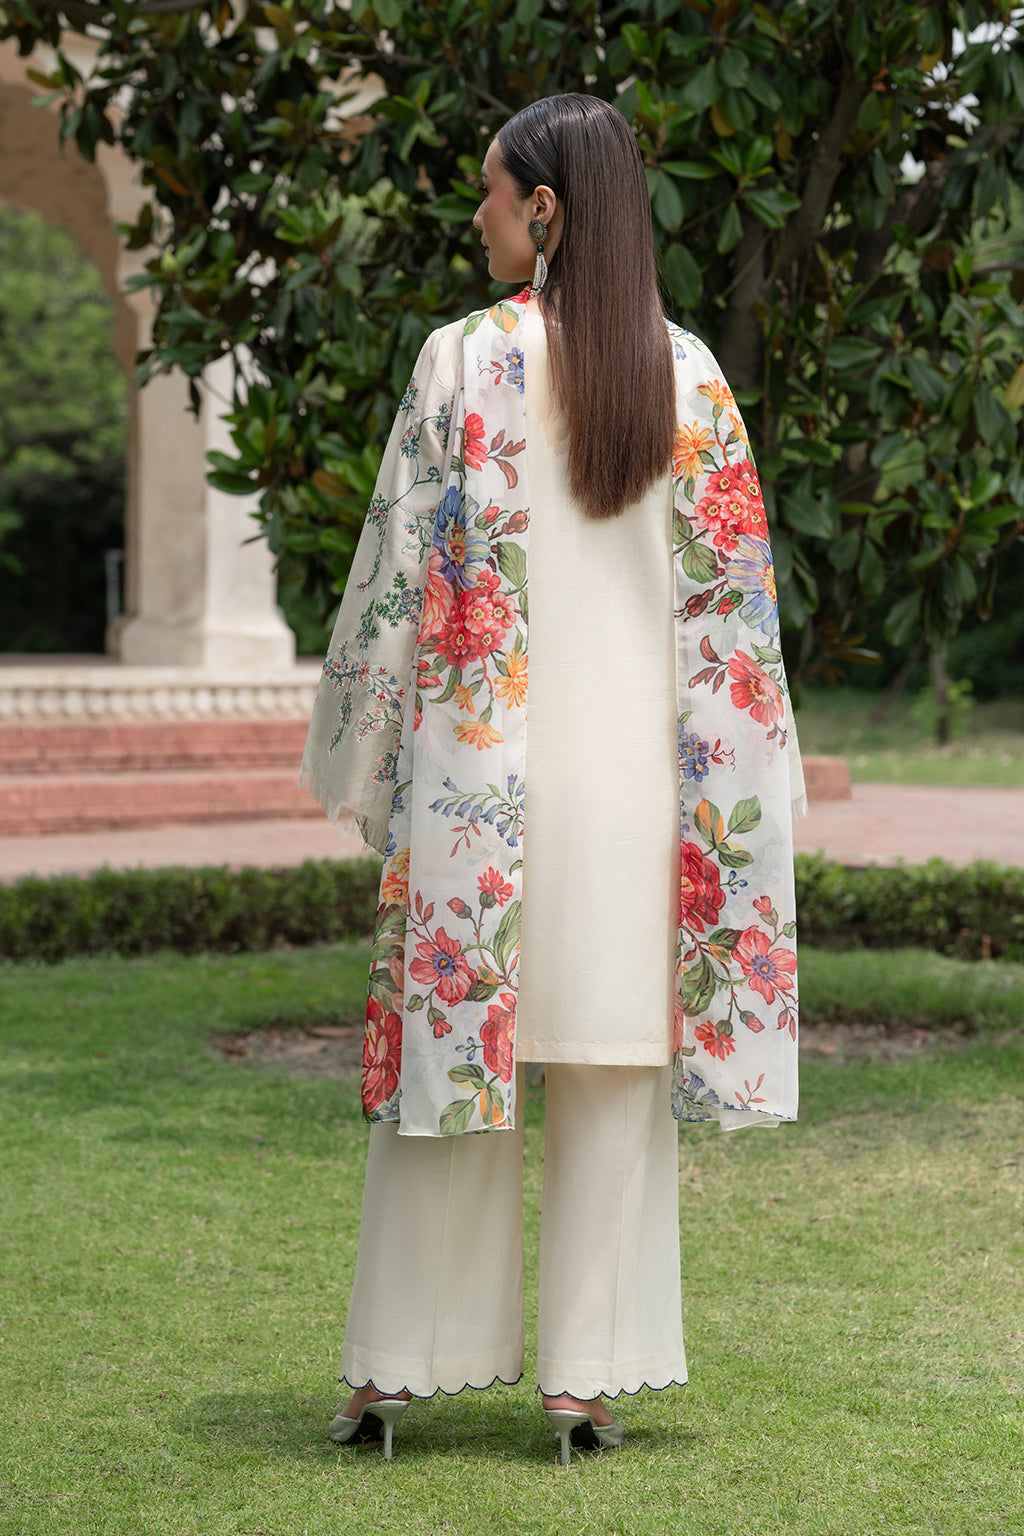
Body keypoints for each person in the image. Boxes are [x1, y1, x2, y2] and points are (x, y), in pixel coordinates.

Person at [300, 92, 804, 1465]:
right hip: (641, 808)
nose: (474, 217)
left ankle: (390, 1377)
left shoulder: (461, 363)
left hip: (490, 791)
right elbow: (735, 627)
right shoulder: (691, 377)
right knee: (610, 1089)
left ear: (547, 209)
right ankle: (585, 1387)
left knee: (451, 1082)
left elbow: (399, 590)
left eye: (488, 194)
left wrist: (367, 756)